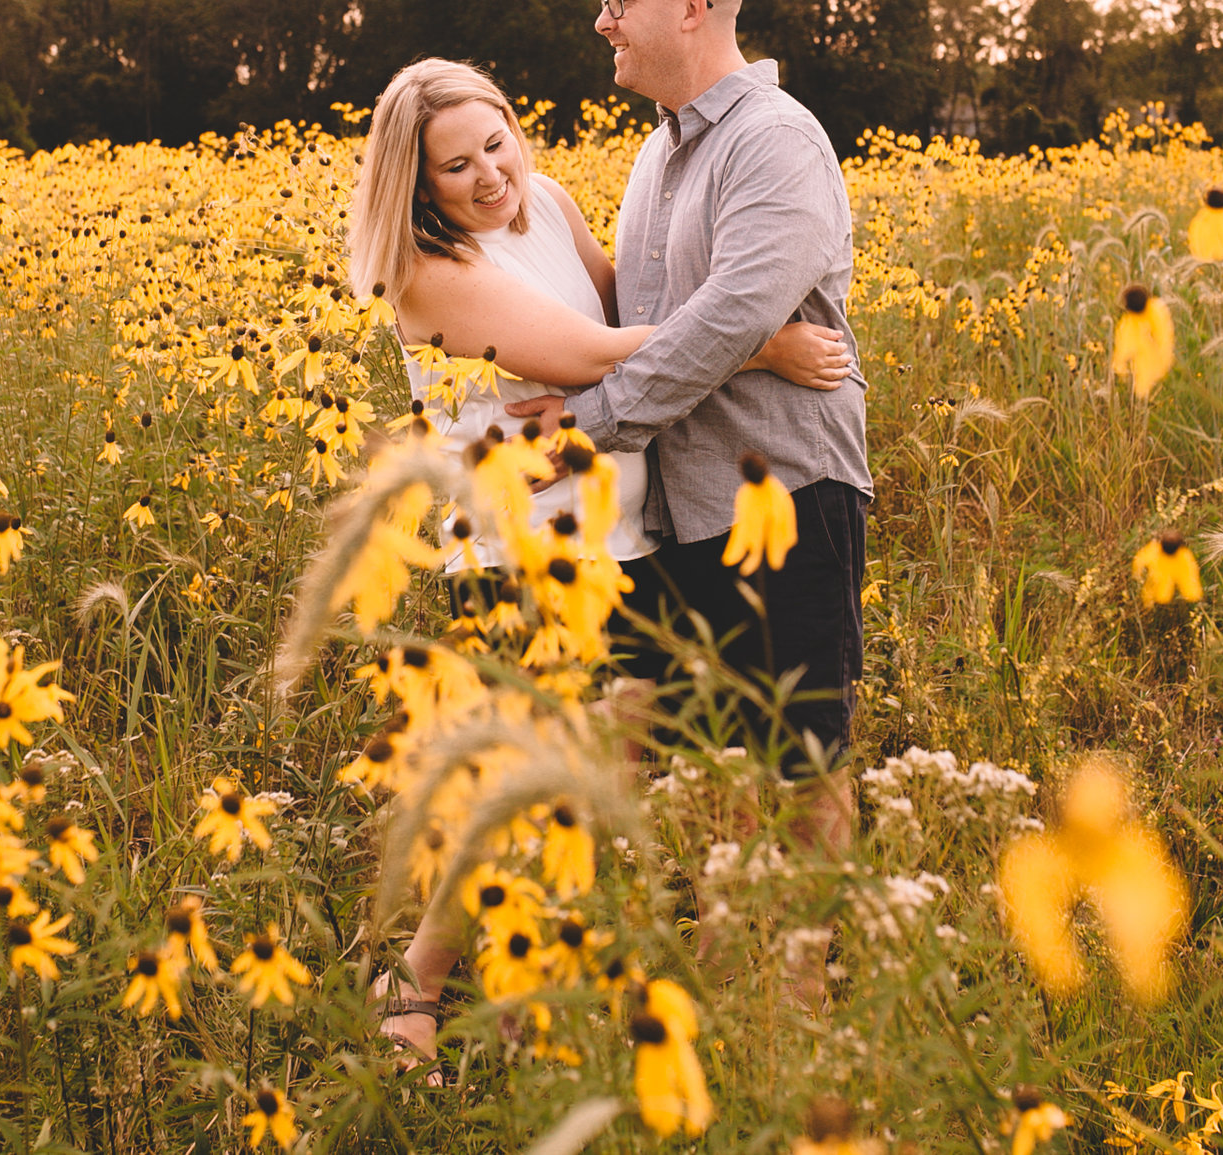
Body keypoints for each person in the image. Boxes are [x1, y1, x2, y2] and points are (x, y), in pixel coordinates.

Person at [342, 55, 851, 1064]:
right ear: (415, 185)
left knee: (592, 772)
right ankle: (419, 977)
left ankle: (545, 972)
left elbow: (631, 319)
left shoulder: (552, 201)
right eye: (455, 166)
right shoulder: (429, 267)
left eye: (496, 142)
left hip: (621, 530)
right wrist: (765, 342)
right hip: (526, 546)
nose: (489, 174)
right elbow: (583, 353)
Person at [503, 0, 873, 933]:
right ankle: (720, 957)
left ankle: (805, 986)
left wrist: (588, 422)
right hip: (672, 507)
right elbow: (636, 320)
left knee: (801, 752)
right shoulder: (653, 156)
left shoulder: (773, 137)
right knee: (681, 747)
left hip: (781, 491)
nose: (602, 21)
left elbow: (732, 313)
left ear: (691, 7)